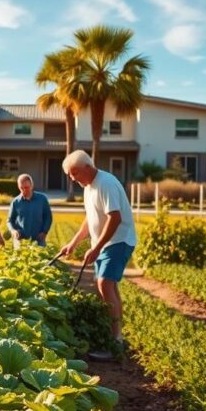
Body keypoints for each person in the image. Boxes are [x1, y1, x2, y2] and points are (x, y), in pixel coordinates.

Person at [58, 150, 137, 360]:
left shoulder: (106, 183)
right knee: (107, 286)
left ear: (87, 166)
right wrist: (73, 244)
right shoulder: (88, 187)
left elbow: (115, 218)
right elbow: (89, 219)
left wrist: (97, 247)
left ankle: (115, 343)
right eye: (70, 175)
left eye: (74, 173)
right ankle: (116, 336)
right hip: (105, 244)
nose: (73, 179)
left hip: (118, 240)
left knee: (104, 284)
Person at [8, 173, 53, 248]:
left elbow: (48, 217)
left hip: (39, 239)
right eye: (21, 188)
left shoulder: (42, 199)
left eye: (26, 187)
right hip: (21, 240)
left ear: (32, 186)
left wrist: (44, 232)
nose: (24, 190)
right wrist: (13, 230)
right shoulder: (15, 202)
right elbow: (9, 220)